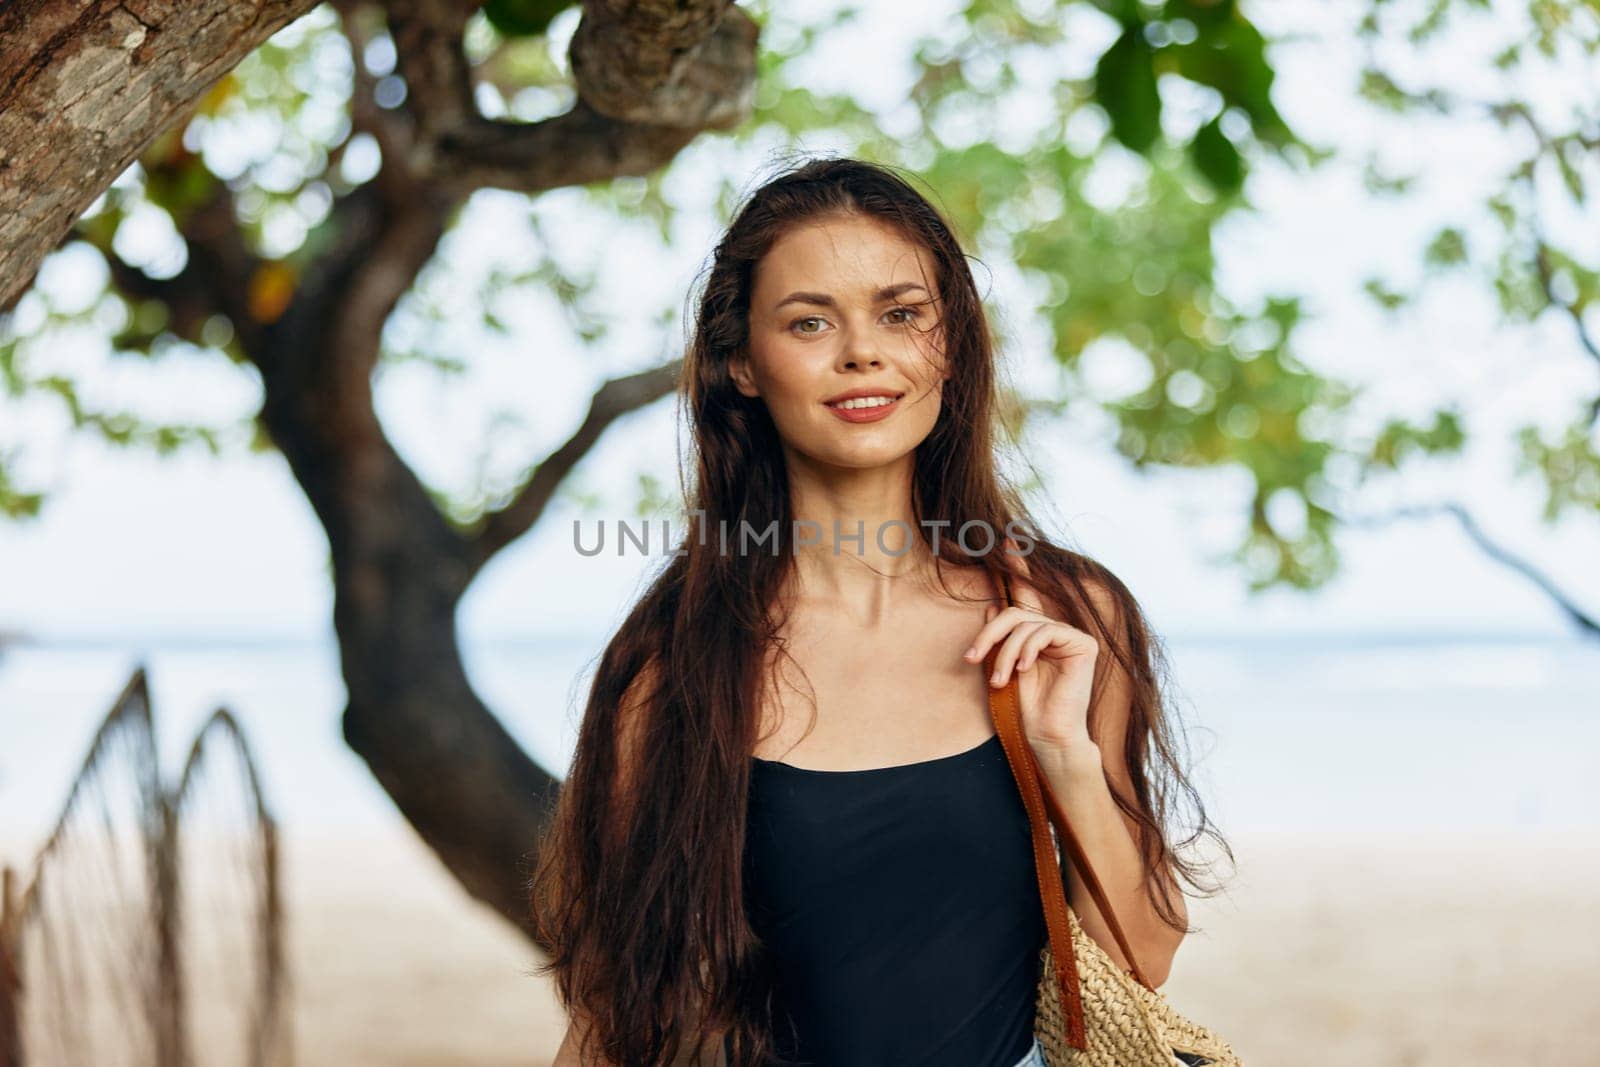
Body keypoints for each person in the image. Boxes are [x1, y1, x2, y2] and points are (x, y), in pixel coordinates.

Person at [531, 155, 1231, 1067]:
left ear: (949, 346)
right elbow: (611, 1018)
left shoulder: (1070, 616)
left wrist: (1064, 755)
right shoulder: (675, 662)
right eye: (811, 320)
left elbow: (1144, 956)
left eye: (901, 314)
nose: (863, 351)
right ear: (742, 360)